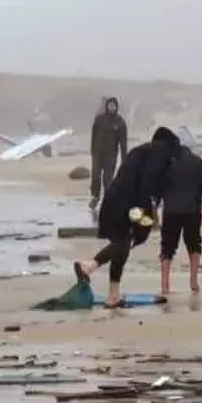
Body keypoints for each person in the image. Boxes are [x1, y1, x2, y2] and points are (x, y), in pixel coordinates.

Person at [74, 128, 180, 308]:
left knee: (122, 244)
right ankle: (89, 265)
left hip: (114, 200)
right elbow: (147, 184)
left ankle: (113, 295)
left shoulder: (141, 151)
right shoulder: (159, 154)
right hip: (129, 204)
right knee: (123, 242)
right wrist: (145, 214)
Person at [158, 142, 202, 295]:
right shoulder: (197, 162)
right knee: (194, 244)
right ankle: (193, 281)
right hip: (192, 210)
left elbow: (158, 188)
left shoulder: (167, 162)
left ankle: (165, 284)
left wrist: (153, 207)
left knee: (167, 247)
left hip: (171, 210)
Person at [89, 97, 128, 210]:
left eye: (113, 106)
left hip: (110, 155)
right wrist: (92, 150)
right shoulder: (99, 119)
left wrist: (124, 158)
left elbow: (123, 142)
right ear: (106, 106)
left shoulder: (120, 122)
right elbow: (94, 134)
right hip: (97, 153)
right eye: (109, 105)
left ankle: (108, 201)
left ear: (116, 107)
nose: (111, 107)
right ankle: (95, 197)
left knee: (107, 180)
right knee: (95, 175)